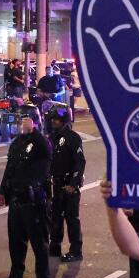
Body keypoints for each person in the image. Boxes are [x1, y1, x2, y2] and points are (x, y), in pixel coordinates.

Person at [0, 108, 53, 278]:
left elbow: (46, 153)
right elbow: (9, 168)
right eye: (21, 120)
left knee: (39, 243)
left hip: (34, 200)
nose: (23, 123)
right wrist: (2, 190)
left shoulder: (41, 142)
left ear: (36, 121)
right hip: (16, 199)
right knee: (15, 242)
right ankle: (15, 276)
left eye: (27, 119)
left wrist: (34, 130)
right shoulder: (16, 143)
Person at [47, 104, 85, 262]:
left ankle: (76, 250)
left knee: (72, 218)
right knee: (55, 217)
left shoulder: (72, 137)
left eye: (56, 119)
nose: (53, 122)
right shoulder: (51, 138)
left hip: (68, 184)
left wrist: (74, 183)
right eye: (52, 119)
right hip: (55, 183)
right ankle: (55, 246)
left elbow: (80, 162)